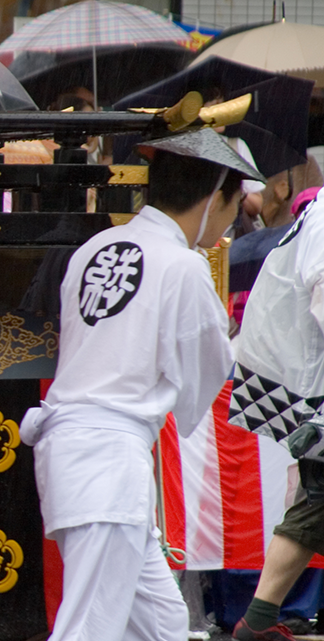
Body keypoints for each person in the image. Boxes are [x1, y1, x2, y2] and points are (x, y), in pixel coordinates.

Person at [19, 128, 261, 641]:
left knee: (162, 622)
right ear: (214, 197)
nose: (228, 222)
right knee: (90, 628)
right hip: (107, 459)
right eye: (233, 206)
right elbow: (205, 368)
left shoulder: (96, 248)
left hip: (78, 450)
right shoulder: (182, 265)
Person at [229, 167, 324, 641]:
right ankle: (258, 619)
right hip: (306, 376)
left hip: (302, 373)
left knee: (317, 499)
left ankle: (259, 619)